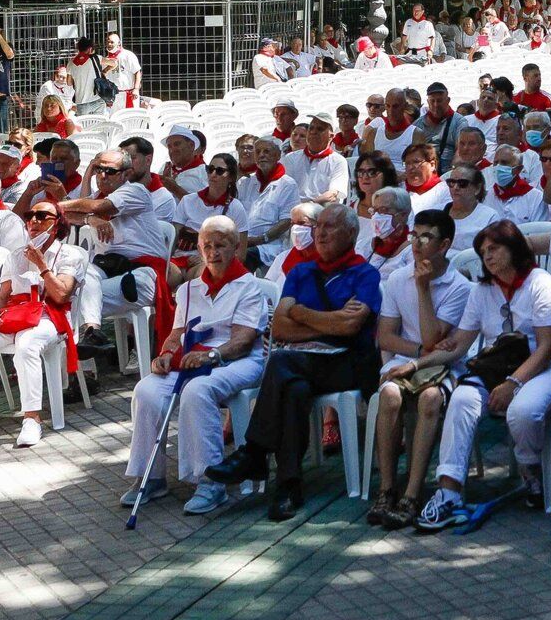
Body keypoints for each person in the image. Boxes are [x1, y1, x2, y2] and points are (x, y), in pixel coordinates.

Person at [204, 205, 381, 520]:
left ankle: (255, 452)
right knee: (295, 388)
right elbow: (281, 327)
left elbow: (350, 328)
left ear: (351, 234)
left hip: (347, 364)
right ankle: (289, 486)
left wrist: (300, 313)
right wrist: (330, 319)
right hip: (303, 364)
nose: (320, 233)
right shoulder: (301, 271)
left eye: (330, 227)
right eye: (318, 227)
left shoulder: (364, 273)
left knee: (283, 361)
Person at [411, 220, 551, 531]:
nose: (487, 256)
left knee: (523, 409)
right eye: (483, 251)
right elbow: (459, 344)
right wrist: (416, 365)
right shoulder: (482, 291)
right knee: (461, 399)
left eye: (494, 248)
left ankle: (530, 467)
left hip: (550, 368)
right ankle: (449, 491)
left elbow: (547, 348)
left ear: (513, 249)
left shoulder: (541, 283)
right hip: (497, 370)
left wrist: (513, 384)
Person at [124, 216, 268, 514]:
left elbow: (242, 341)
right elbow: (176, 334)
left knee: (198, 390)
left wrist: (212, 357)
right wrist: (165, 354)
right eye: (206, 246)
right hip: (192, 358)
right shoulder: (190, 289)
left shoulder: (249, 286)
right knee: (147, 390)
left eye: (221, 245)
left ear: (236, 247)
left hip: (236, 360)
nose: (213, 252)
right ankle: (151, 477)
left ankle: (210, 481)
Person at [368, 210, 473, 530]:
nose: (416, 243)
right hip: (408, 358)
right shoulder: (398, 279)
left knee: (429, 399)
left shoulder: (458, 286)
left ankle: (413, 494)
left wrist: (424, 288)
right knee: (388, 394)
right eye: (414, 235)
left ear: (444, 245)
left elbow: (434, 339)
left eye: (425, 237)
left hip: (445, 364)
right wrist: (415, 352)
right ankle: (387, 488)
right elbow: (384, 336)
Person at [0, 198, 86, 447]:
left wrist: (41, 265)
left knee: (27, 344)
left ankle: (32, 418)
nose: (34, 222)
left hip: (49, 317)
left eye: (42, 217)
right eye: (30, 216)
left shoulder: (69, 254)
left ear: (57, 224)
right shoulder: (16, 255)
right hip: (16, 316)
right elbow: (2, 294)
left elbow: (61, 294)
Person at [63, 149, 172, 360]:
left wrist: (59, 205)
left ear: (126, 173)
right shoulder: (96, 197)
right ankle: (92, 333)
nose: (102, 176)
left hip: (142, 274)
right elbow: (74, 214)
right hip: (109, 269)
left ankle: (82, 375)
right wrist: (90, 219)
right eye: (98, 170)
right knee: (79, 276)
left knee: (74, 298)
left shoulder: (136, 191)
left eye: (110, 171)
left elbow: (101, 206)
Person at [171, 153, 250, 267]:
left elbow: (240, 255)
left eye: (219, 171)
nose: (213, 174)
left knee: (202, 274)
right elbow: (173, 239)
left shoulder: (236, 208)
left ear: (231, 178)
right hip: (178, 259)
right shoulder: (188, 200)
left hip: (211, 263)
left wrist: (208, 259)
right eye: (210, 169)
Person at [240, 137, 299, 269]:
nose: (262, 155)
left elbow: (286, 221)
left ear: (278, 155)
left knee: (242, 257)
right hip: (243, 241)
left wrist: (261, 239)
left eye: (266, 151)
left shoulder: (288, 184)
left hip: (270, 245)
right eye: (258, 152)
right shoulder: (245, 182)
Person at [282, 112, 349, 203]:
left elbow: (333, 194)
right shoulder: (291, 158)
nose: (313, 132)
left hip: (322, 209)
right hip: (292, 208)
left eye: (320, 129)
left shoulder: (338, 161)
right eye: (311, 128)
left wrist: (310, 205)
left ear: (331, 136)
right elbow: (284, 189)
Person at [442, 162, 497, 252]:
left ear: (477, 188)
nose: (455, 187)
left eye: (462, 183)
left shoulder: (490, 217)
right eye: (451, 182)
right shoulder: (436, 211)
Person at [488, 144, 547, 223]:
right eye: (496, 163)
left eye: (504, 163)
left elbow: (539, 231)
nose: (498, 166)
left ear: (518, 169)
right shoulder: (486, 196)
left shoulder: (536, 198)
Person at [362, 187, 413, 277]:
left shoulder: (412, 251)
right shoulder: (364, 246)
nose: (376, 216)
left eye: (383, 210)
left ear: (403, 215)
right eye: (374, 211)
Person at [101, 32, 142, 109]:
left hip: (128, 95)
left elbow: (137, 71)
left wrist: (136, 89)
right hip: (113, 96)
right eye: (107, 42)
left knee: (129, 118)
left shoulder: (128, 55)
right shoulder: (106, 60)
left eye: (112, 42)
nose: (109, 44)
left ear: (119, 43)